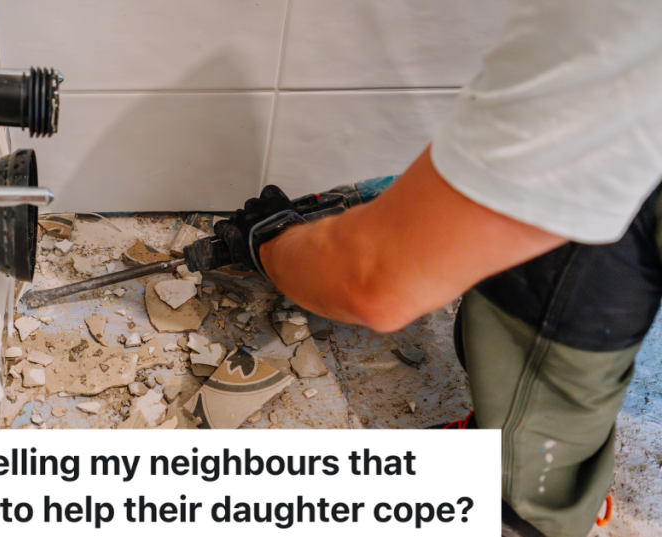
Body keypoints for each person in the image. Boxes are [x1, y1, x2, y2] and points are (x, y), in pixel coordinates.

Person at [214, 2, 662, 536]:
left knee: (552, 244)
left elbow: (373, 284)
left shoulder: (608, 33)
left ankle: (520, 504)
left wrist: (270, 243)